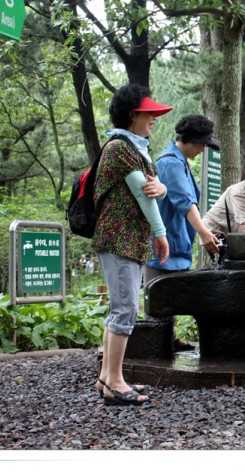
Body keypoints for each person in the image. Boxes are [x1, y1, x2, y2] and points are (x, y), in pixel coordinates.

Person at [92, 83, 172, 405]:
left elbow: (155, 189)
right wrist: (160, 231)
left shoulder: (136, 148)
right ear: (131, 114)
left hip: (127, 239)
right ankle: (115, 381)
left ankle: (106, 378)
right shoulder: (121, 148)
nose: (154, 118)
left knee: (120, 307)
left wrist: (161, 188)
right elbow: (143, 194)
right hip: (119, 237)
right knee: (125, 309)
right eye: (148, 112)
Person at [143, 115, 221, 352]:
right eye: (202, 143)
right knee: (158, 297)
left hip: (177, 239)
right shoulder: (170, 163)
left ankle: (169, 338)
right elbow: (185, 202)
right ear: (191, 141)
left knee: (171, 296)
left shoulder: (180, 161)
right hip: (164, 240)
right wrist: (205, 233)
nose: (204, 148)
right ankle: (155, 346)